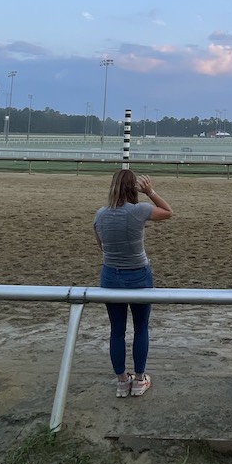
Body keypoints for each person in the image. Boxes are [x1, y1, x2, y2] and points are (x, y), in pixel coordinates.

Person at [94, 169, 173, 398]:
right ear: (133, 189)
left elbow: (102, 247)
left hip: (111, 275)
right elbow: (168, 212)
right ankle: (139, 379)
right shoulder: (139, 210)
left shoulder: (100, 214)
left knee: (117, 331)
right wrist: (150, 192)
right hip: (138, 274)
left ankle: (121, 380)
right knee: (141, 328)